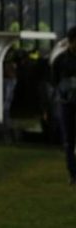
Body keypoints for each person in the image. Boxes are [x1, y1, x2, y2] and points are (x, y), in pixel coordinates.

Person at [51, 27, 76, 186]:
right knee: (69, 140)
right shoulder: (60, 60)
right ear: (70, 41)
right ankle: (73, 173)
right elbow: (53, 81)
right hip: (66, 103)